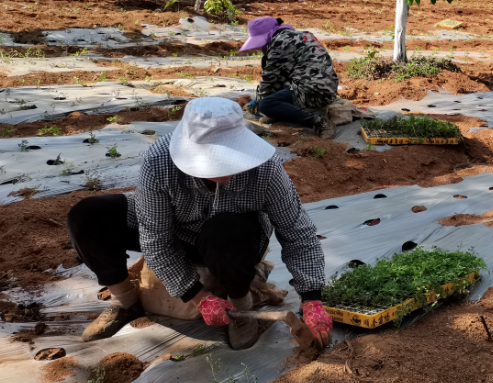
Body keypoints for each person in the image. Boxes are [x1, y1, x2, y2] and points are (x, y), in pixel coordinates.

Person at [66, 98, 333, 350]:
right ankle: (126, 301)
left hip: (231, 239)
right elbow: (156, 239)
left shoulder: (266, 169)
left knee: (228, 230)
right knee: (88, 215)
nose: (222, 170)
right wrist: (197, 296)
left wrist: (312, 298)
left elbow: (297, 233)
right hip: (174, 227)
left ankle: (241, 307)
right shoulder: (160, 161)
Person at [240, 16, 339, 138]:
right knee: (272, 73)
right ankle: (283, 113)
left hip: (312, 91)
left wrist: (259, 101)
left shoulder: (279, 43)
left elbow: (269, 80)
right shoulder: (301, 35)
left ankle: (318, 120)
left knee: (266, 105)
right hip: (327, 88)